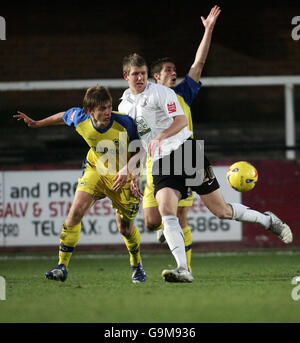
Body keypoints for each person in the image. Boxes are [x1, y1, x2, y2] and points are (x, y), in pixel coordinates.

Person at [118, 52, 293, 283]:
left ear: (148, 75)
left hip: (186, 152)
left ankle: (268, 220)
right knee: (166, 211)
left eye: (143, 74)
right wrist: (131, 169)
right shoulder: (124, 105)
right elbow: (138, 142)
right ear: (125, 76)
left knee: (221, 211)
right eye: (135, 74)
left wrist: (161, 137)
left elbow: (180, 121)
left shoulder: (160, 92)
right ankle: (183, 268)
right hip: (161, 161)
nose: (140, 78)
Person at [13, 86, 147, 283]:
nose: (108, 112)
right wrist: (37, 123)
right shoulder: (80, 117)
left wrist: (130, 171)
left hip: (123, 176)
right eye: (102, 108)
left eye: (109, 107)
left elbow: (142, 151)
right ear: (89, 111)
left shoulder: (125, 123)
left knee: (125, 228)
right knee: (75, 212)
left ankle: (136, 265)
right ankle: (62, 266)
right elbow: (64, 115)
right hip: (96, 169)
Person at [144, 5, 221, 273]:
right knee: (151, 222)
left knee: (180, 215)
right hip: (156, 160)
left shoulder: (183, 93)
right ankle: (165, 230)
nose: (173, 72)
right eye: (167, 70)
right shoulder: (148, 99)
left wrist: (208, 30)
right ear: (155, 76)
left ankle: (183, 267)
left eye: (174, 69)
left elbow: (198, 63)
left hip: (184, 154)